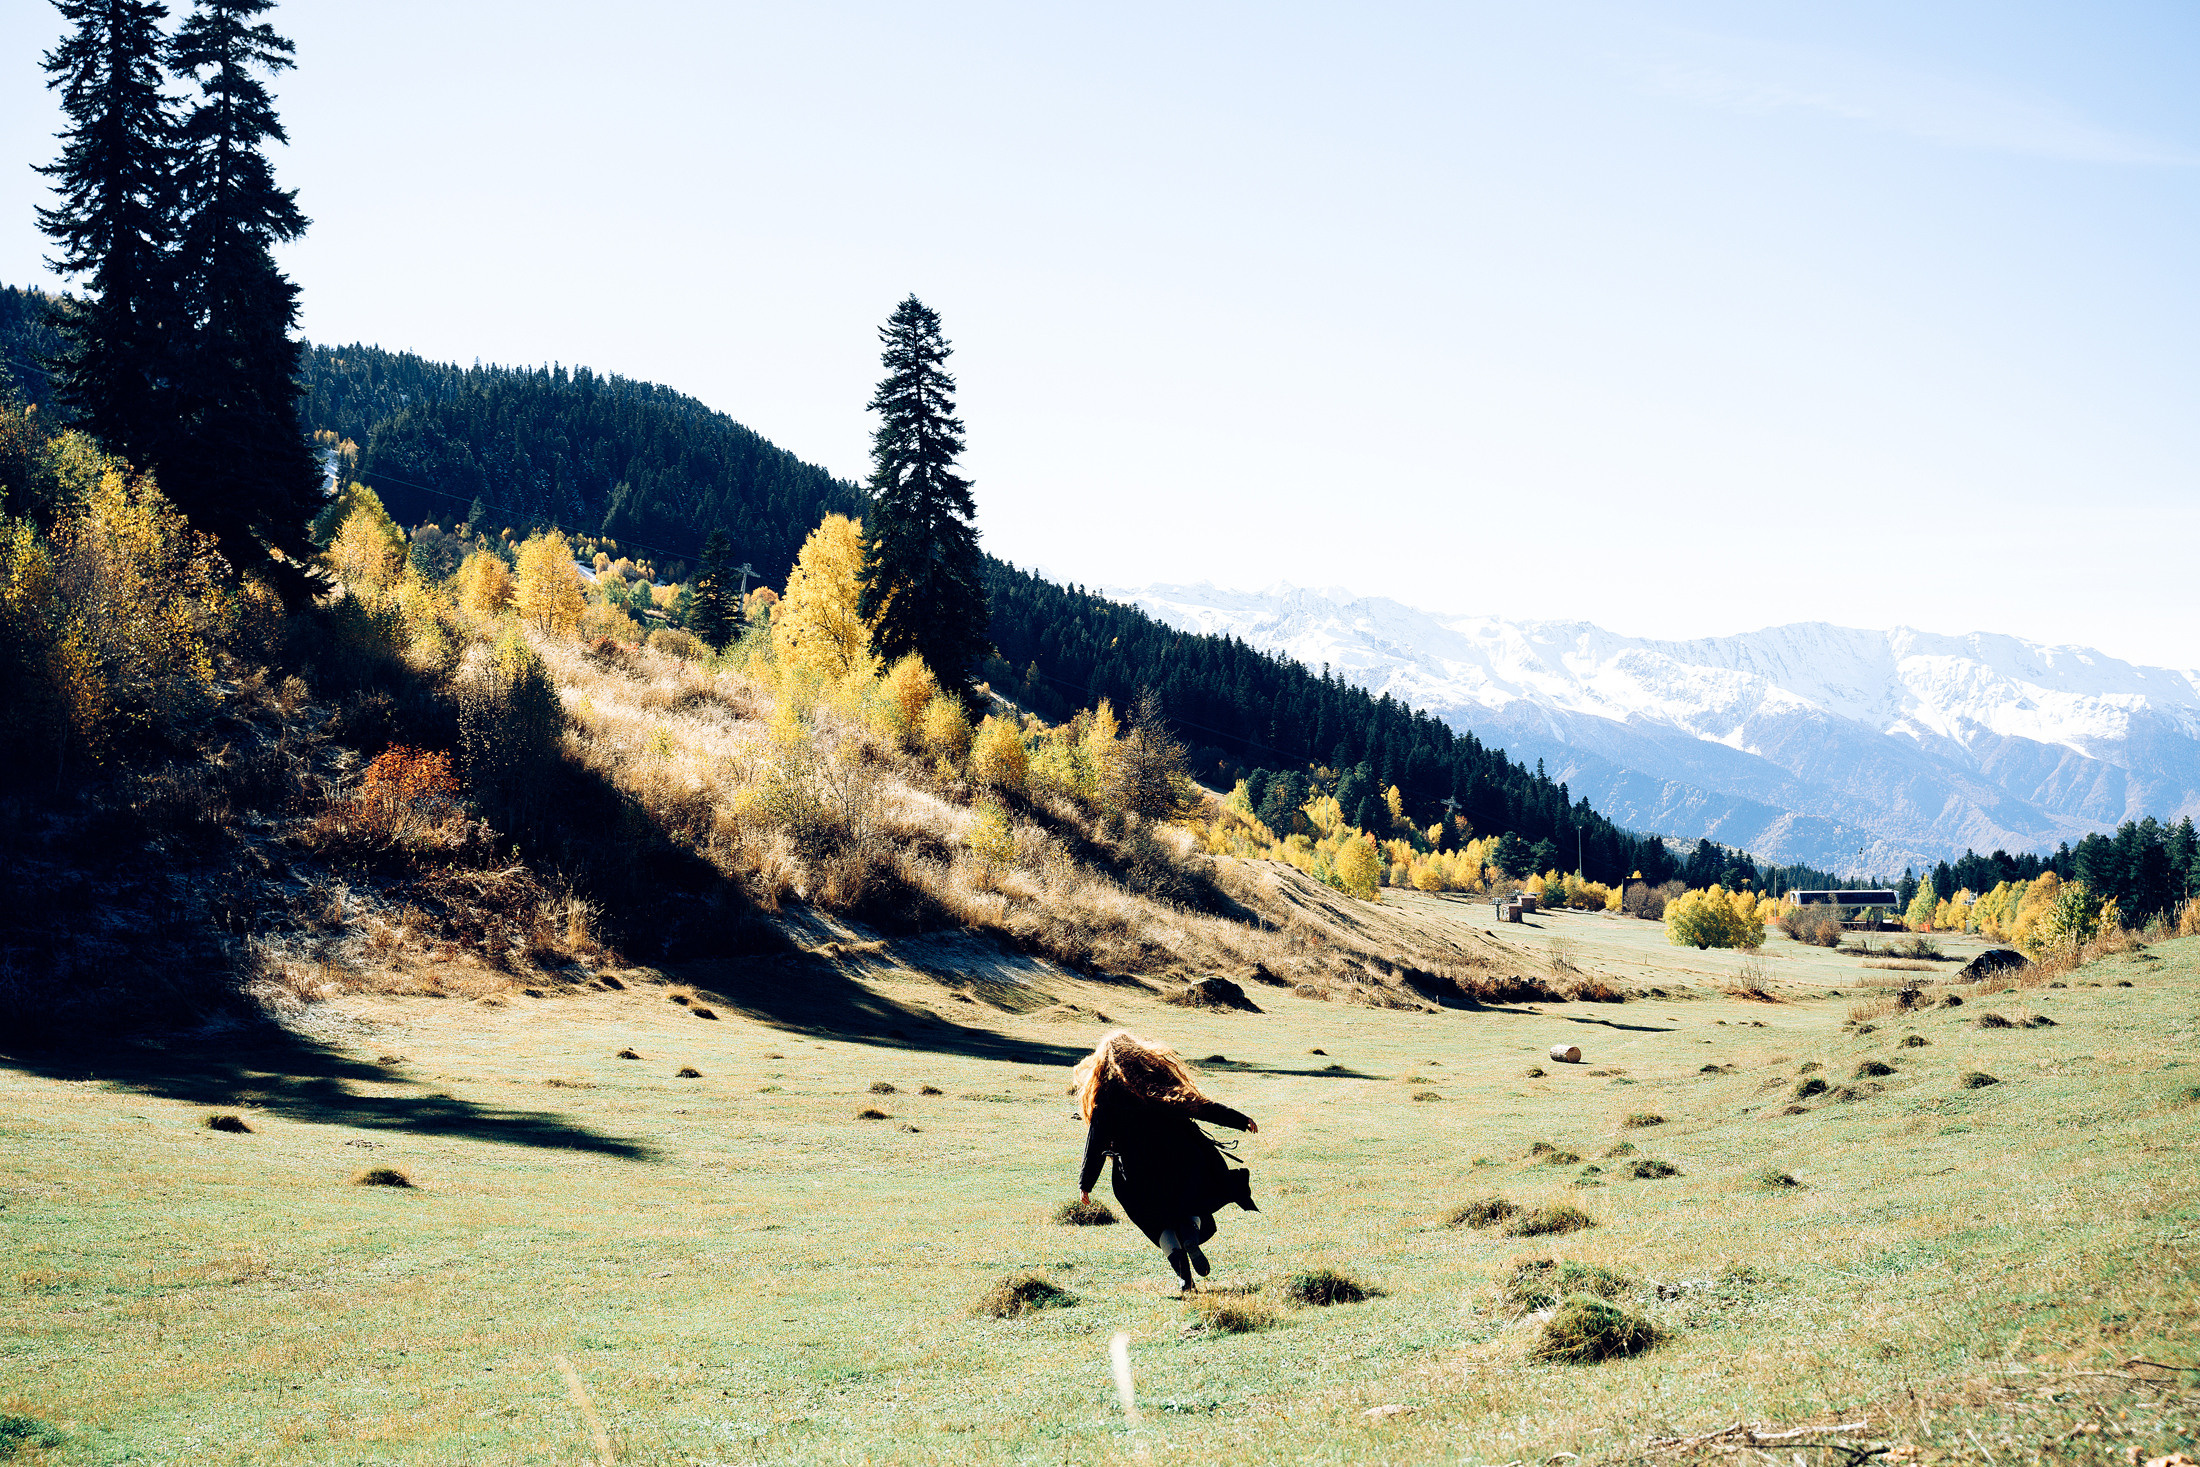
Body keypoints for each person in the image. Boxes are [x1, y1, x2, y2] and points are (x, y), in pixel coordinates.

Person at [1073, 1029, 1260, 1292]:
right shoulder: (1159, 1079)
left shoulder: (1107, 1093)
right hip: (1181, 1157)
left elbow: (1097, 1140)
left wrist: (1086, 1182)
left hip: (1137, 1171)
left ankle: (1184, 1277)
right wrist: (1239, 1119)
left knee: (1156, 1222)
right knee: (1190, 1206)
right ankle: (1191, 1237)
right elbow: (1199, 1106)